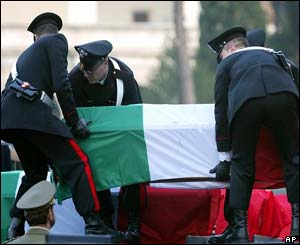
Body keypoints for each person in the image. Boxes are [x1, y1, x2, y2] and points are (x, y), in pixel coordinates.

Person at [1, 12, 123, 243]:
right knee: (77, 163)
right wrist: (74, 120)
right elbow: (61, 83)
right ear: (51, 34)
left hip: (10, 121)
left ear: (35, 37)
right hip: (34, 116)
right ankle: (94, 225)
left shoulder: (23, 59)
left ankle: (15, 227)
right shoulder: (56, 41)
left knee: (35, 174)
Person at [207, 26, 299, 243]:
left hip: (247, 103)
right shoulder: (276, 56)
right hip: (284, 97)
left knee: (242, 165)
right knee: (293, 160)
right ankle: (296, 231)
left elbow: (221, 111)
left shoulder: (227, 64)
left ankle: (240, 232)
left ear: (229, 49)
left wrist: (224, 158)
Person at [69, 40, 144, 243]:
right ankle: (105, 223)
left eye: (90, 71)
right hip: (93, 137)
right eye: (84, 70)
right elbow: (74, 114)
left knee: (133, 168)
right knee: (94, 168)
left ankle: (133, 224)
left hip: (122, 135)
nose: (86, 74)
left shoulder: (124, 78)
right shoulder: (75, 78)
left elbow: (136, 116)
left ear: (104, 63)